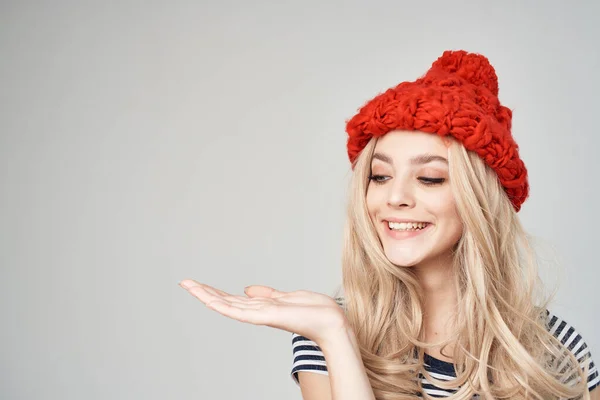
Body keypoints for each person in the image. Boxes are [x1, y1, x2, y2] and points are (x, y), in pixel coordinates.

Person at [179, 50, 599, 399]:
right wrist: (335, 335)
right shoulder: (328, 335)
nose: (394, 197)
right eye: (379, 176)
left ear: (481, 201)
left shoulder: (555, 349)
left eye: (430, 178)